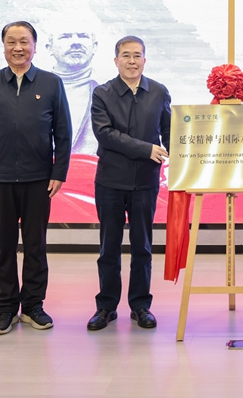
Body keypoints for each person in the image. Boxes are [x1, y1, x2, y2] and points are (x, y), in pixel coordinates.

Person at [0, 21, 72, 335]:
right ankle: (6, 309)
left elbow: (63, 133)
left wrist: (58, 172)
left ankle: (32, 306)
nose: (18, 47)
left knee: (35, 245)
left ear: (35, 46)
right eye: (11, 41)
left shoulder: (51, 83)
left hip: (39, 179)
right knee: (3, 247)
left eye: (24, 41)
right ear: (3, 47)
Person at [86, 36, 171, 332]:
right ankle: (106, 307)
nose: (132, 61)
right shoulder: (102, 93)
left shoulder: (158, 92)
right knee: (109, 247)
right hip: (110, 180)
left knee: (142, 247)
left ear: (145, 60)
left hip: (146, 181)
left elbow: (169, 133)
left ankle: (140, 305)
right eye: (126, 55)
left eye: (137, 55)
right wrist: (145, 149)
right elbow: (105, 133)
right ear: (116, 60)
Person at [46, 27, 100, 155]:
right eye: (65, 36)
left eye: (83, 36)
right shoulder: (33, 89)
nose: (76, 42)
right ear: (50, 48)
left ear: (95, 46)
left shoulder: (112, 90)